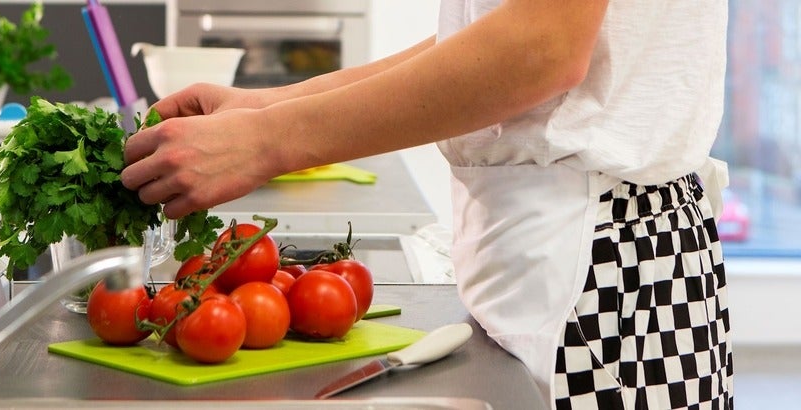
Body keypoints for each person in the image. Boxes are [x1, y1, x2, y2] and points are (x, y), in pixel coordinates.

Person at [121, 1, 733, 408]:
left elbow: (542, 45)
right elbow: (492, 31)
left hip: (609, 279)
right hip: (573, 260)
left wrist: (268, 141)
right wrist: (270, 109)